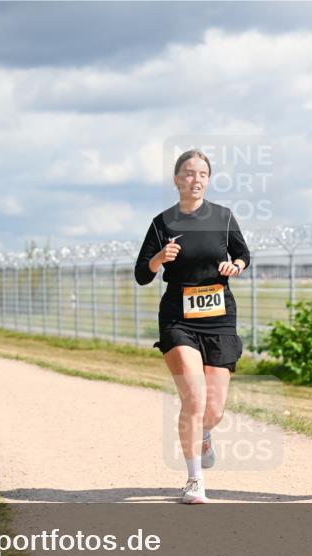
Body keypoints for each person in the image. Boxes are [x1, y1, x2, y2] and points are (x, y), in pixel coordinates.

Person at [135, 149, 250, 504]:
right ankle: (194, 479)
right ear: (176, 179)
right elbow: (142, 274)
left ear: (208, 179)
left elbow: (243, 254)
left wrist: (237, 267)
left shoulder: (224, 217)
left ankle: (203, 436)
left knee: (213, 410)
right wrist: (158, 258)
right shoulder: (162, 222)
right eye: (188, 173)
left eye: (202, 173)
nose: (195, 179)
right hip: (178, 317)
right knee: (194, 397)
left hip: (219, 317)